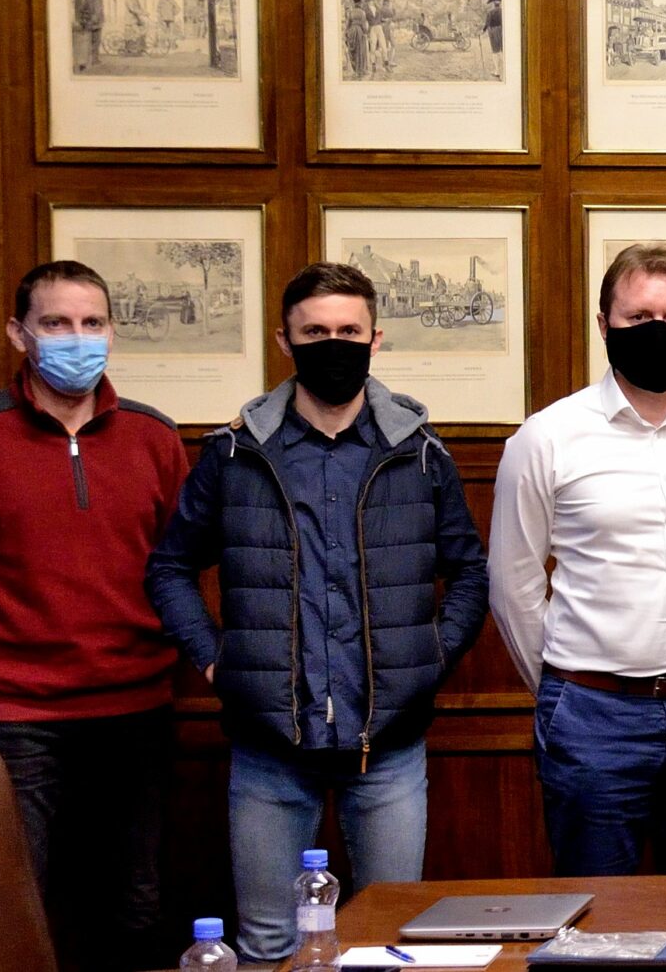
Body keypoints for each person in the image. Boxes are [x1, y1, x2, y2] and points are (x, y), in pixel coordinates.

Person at [147, 263, 488, 964]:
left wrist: (428, 658)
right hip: (268, 747)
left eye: (348, 331)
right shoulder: (235, 453)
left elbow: (470, 571)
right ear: (285, 340)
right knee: (269, 945)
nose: (334, 345)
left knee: (390, 941)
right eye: (315, 332)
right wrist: (215, 660)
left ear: (375, 338)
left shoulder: (420, 453)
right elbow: (170, 567)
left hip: (387, 746)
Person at [0, 261, 186, 972]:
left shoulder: (154, 436)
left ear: (112, 332)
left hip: (135, 709)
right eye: (55, 323)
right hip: (11, 716)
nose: (75, 337)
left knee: (134, 905)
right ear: (18, 332)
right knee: (10, 904)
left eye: (92, 323)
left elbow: (183, 572)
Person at [488, 243, 666, 877]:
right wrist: (565, 687)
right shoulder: (547, 435)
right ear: (603, 324)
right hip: (592, 714)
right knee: (598, 910)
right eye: (638, 317)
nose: (657, 330)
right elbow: (512, 584)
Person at [484, 0, 505, 79]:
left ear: (493, 3)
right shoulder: (503, 11)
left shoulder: (491, 12)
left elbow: (487, 23)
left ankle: (497, 71)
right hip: (502, 31)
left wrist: (483, 30)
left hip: (493, 32)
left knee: (495, 52)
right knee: (502, 50)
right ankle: (506, 69)